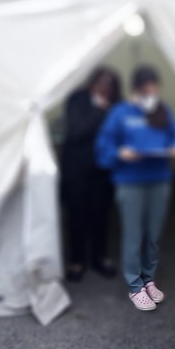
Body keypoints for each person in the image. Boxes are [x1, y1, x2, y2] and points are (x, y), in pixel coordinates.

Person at [96, 65, 175, 311]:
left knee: (153, 235)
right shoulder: (121, 112)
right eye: (147, 88)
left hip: (159, 180)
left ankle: (148, 278)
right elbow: (104, 148)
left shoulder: (162, 110)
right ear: (137, 87)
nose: (151, 92)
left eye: (155, 88)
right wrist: (120, 152)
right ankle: (135, 285)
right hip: (130, 182)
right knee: (134, 235)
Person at [61, 67, 122, 282]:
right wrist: (99, 110)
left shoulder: (117, 105)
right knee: (76, 215)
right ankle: (77, 260)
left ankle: (100, 257)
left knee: (101, 216)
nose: (105, 88)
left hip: (104, 171)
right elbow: (76, 130)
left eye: (110, 84)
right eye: (101, 82)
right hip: (76, 169)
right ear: (92, 82)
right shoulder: (77, 99)